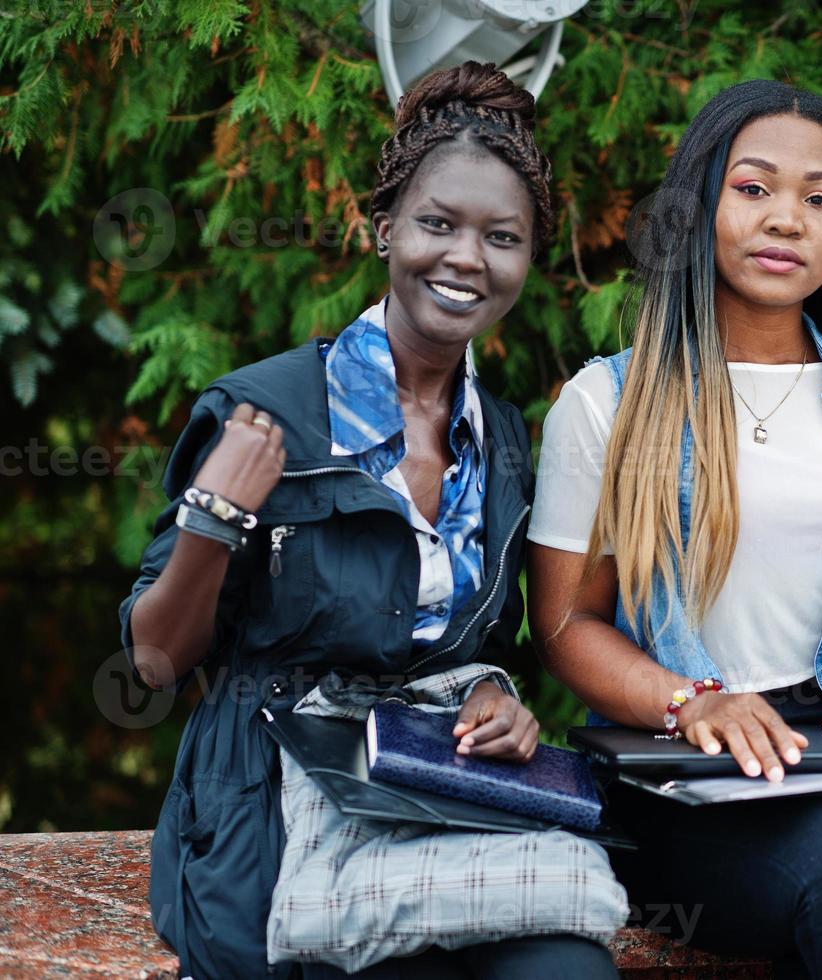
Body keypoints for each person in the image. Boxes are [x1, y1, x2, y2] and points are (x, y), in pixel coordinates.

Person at [120, 62, 625, 980]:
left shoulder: (503, 437)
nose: (466, 258)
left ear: (527, 257)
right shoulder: (266, 411)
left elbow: (475, 651)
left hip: (435, 793)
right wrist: (214, 516)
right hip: (279, 808)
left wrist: (497, 702)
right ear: (384, 227)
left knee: (570, 968)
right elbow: (155, 660)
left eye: (501, 237)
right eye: (438, 224)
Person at [527, 79, 822, 978]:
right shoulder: (608, 402)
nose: (786, 220)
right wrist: (694, 702)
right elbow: (567, 626)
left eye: (819, 199)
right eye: (753, 188)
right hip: (679, 767)